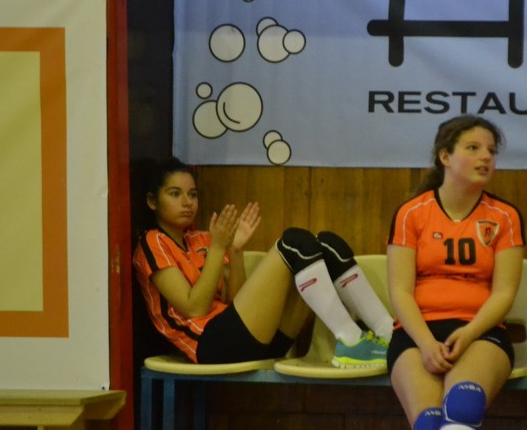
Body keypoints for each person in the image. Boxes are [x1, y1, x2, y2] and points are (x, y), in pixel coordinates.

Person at [386, 115, 525, 430]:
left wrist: (469, 332)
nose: (486, 158)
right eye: (473, 148)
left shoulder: (504, 216)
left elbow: (504, 292)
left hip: (480, 330)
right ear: (445, 157)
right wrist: (426, 343)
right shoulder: (412, 212)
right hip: (417, 332)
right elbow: (400, 291)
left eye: (491, 151)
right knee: (429, 424)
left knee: (463, 401)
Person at [132, 157, 393, 367]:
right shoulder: (152, 242)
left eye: (192, 194)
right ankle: (351, 340)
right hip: (211, 346)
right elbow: (195, 309)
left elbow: (236, 301)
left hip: (251, 337)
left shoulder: (201, 238)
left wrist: (234, 251)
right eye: (175, 194)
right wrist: (219, 248)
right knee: (295, 243)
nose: (187, 203)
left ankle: (391, 336)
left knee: (326, 244)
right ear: (152, 201)